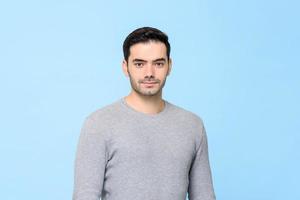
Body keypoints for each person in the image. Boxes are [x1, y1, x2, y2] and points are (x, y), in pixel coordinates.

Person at [72, 26, 216, 200]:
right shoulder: (98, 124)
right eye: (139, 64)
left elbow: (204, 196)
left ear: (169, 66)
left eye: (158, 63)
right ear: (126, 67)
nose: (149, 73)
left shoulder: (192, 126)